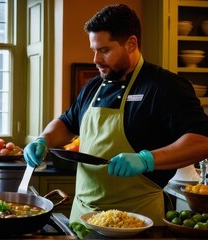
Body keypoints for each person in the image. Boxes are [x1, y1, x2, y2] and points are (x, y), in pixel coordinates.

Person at [23, 3, 208, 226]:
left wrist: (146, 160)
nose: (96, 60)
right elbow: (67, 122)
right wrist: (44, 139)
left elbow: (201, 141)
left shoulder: (165, 87)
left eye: (104, 50)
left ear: (131, 44)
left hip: (137, 220)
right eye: (94, 50)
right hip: (82, 217)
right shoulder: (93, 87)